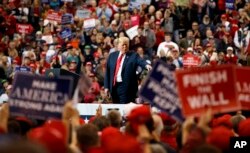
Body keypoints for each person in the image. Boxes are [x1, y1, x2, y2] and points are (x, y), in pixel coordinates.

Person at [104, 37, 151, 104]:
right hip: (114, 87)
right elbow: (107, 73)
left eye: (126, 45)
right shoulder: (112, 56)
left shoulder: (133, 55)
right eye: (123, 45)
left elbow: (141, 61)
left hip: (126, 87)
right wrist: (106, 87)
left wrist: (147, 65)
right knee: (116, 106)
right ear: (118, 45)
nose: (125, 47)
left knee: (124, 107)